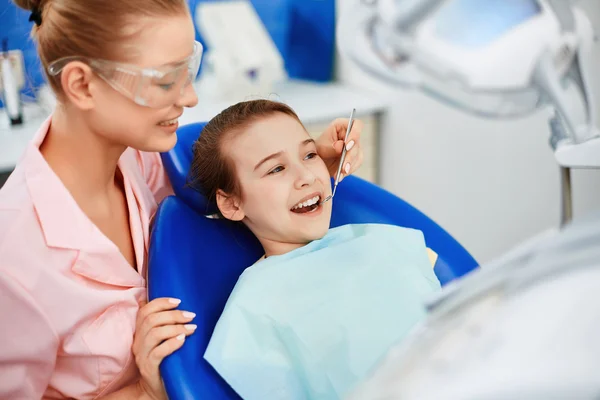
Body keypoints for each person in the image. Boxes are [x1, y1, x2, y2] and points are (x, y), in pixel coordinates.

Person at [0, 1, 364, 398]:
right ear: (82, 84)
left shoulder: (146, 156)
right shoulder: (14, 260)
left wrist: (310, 162)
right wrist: (145, 392)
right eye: (165, 80)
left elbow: (237, 180)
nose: (189, 97)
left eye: (188, 67)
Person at [188, 100, 441, 399]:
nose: (307, 176)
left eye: (309, 154)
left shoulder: (378, 241)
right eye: (277, 168)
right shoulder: (253, 315)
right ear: (232, 203)